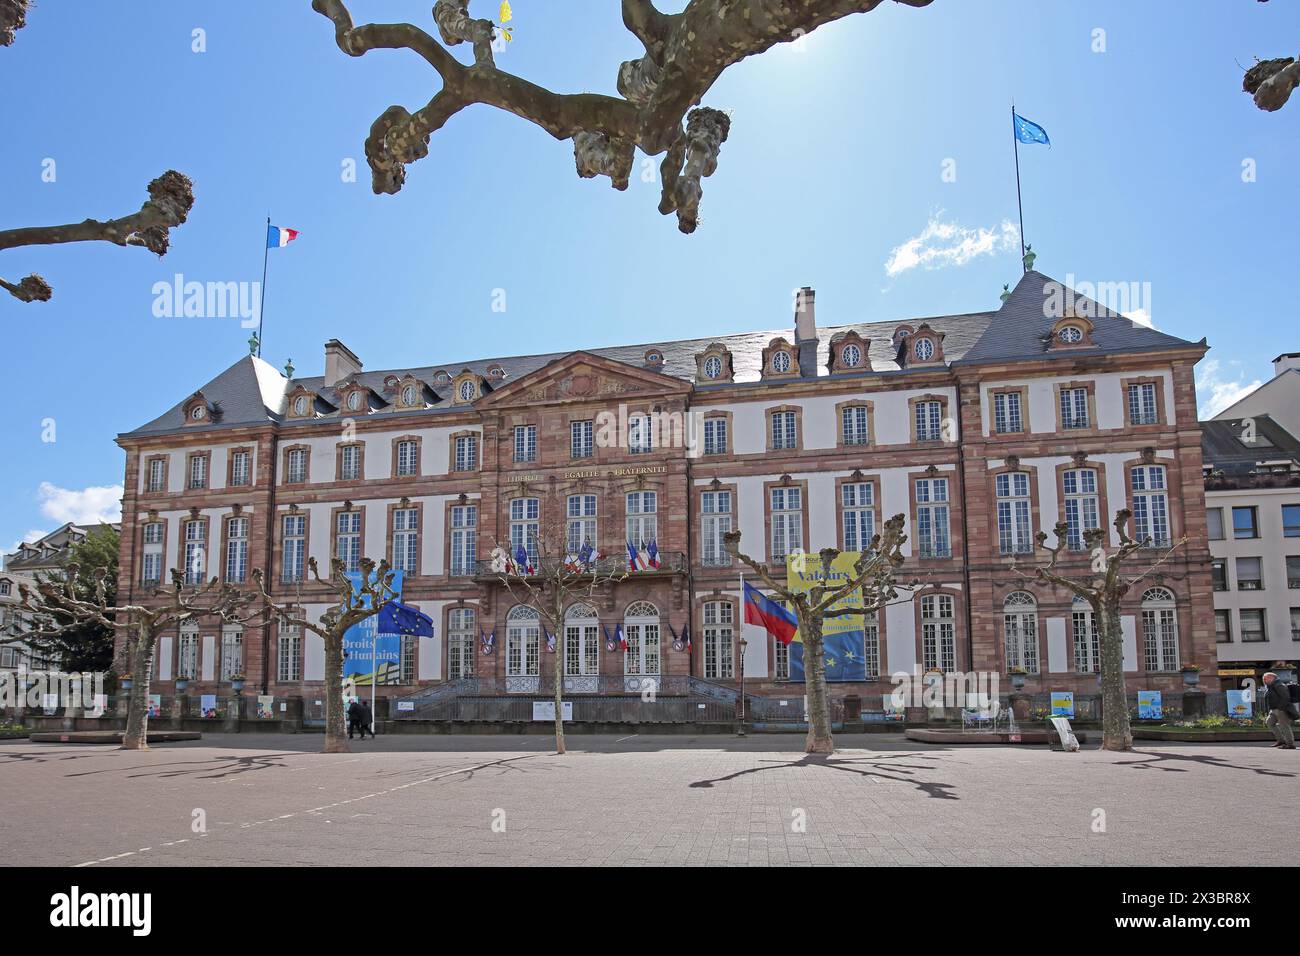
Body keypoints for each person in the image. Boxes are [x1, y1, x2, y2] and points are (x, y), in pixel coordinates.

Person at [1262, 672, 1295, 750]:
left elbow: (1285, 697)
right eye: (1264, 678)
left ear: (1271, 678)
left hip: (1281, 709)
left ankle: (1290, 744)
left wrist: (1280, 708)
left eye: (1265, 678)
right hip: (1273, 709)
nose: (1264, 680)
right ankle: (1281, 741)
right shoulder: (1270, 686)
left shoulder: (1279, 685)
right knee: (1269, 722)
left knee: (1284, 725)